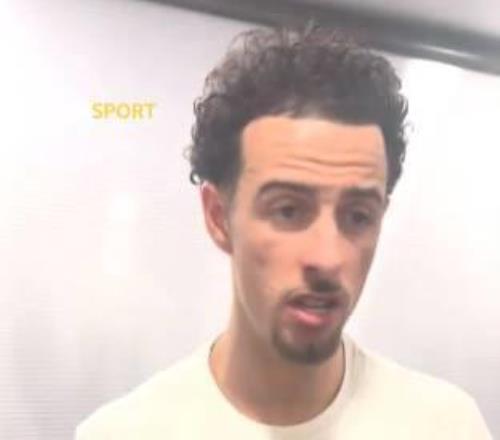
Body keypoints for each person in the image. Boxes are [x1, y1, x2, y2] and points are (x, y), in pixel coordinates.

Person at [76, 25, 492, 439]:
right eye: (288, 210)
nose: (328, 258)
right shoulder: (123, 433)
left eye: (358, 216)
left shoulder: (446, 426)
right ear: (219, 217)